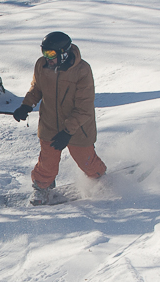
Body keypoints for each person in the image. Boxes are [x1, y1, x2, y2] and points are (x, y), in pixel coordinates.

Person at [12, 31, 107, 204]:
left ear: (63, 53)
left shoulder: (82, 70)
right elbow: (36, 89)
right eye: (44, 53)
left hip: (79, 127)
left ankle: (100, 178)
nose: (47, 58)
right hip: (49, 123)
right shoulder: (42, 65)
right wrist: (26, 105)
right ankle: (42, 188)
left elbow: (84, 107)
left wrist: (68, 131)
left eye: (51, 54)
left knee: (86, 160)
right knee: (47, 160)